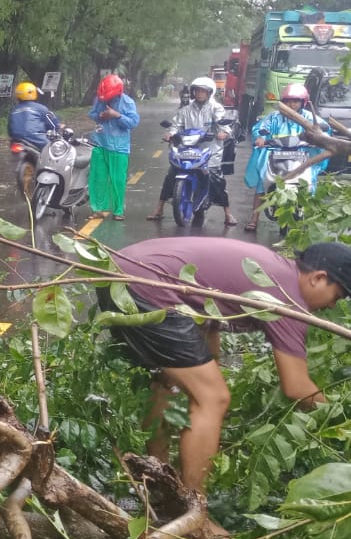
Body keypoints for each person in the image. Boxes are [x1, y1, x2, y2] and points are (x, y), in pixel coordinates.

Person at [99, 238, 349, 497]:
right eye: (338, 295)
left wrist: (211, 382)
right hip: (146, 284)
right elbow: (296, 387)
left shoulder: (273, 269)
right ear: (318, 278)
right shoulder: (287, 299)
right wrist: (341, 419)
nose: (333, 305)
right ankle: (195, 506)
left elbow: (206, 324)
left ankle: (157, 478)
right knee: (212, 398)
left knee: (168, 382)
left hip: (117, 270)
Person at [148, 76, 235, 225]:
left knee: (216, 179)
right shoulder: (185, 110)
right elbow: (176, 125)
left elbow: (224, 125)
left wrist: (224, 132)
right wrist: (170, 133)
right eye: (197, 91)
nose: (199, 94)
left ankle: (228, 214)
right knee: (171, 175)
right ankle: (159, 209)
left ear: (209, 93)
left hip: (209, 150)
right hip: (187, 150)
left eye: (203, 91)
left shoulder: (216, 108)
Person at [244, 83, 328, 232]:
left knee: (309, 184)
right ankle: (254, 219)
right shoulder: (274, 117)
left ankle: (306, 220)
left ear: (302, 102)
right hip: (275, 154)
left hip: (301, 155)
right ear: (283, 102)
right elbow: (261, 128)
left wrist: (318, 139)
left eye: (295, 101)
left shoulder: (309, 117)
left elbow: (323, 130)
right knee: (262, 182)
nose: (292, 104)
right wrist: (260, 138)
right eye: (289, 101)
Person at [88, 74, 141, 221]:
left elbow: (133, 122)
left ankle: (118, 210)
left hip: (119, 147)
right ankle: (98, 209)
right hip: (100, 143)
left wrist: (117, 115)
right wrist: (100, 115)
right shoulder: (99, 99)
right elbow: (92, 114)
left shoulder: (127, 102)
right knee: (98, 178)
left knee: (118, 180)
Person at [7, 81, 62, 194]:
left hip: (16, 141)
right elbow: (53, 124)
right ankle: (52, 180)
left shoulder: (14, 110)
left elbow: (10, 128)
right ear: (33, 93)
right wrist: (57, 128)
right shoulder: (40, 108)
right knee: (53, 153)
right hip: (37, 139)